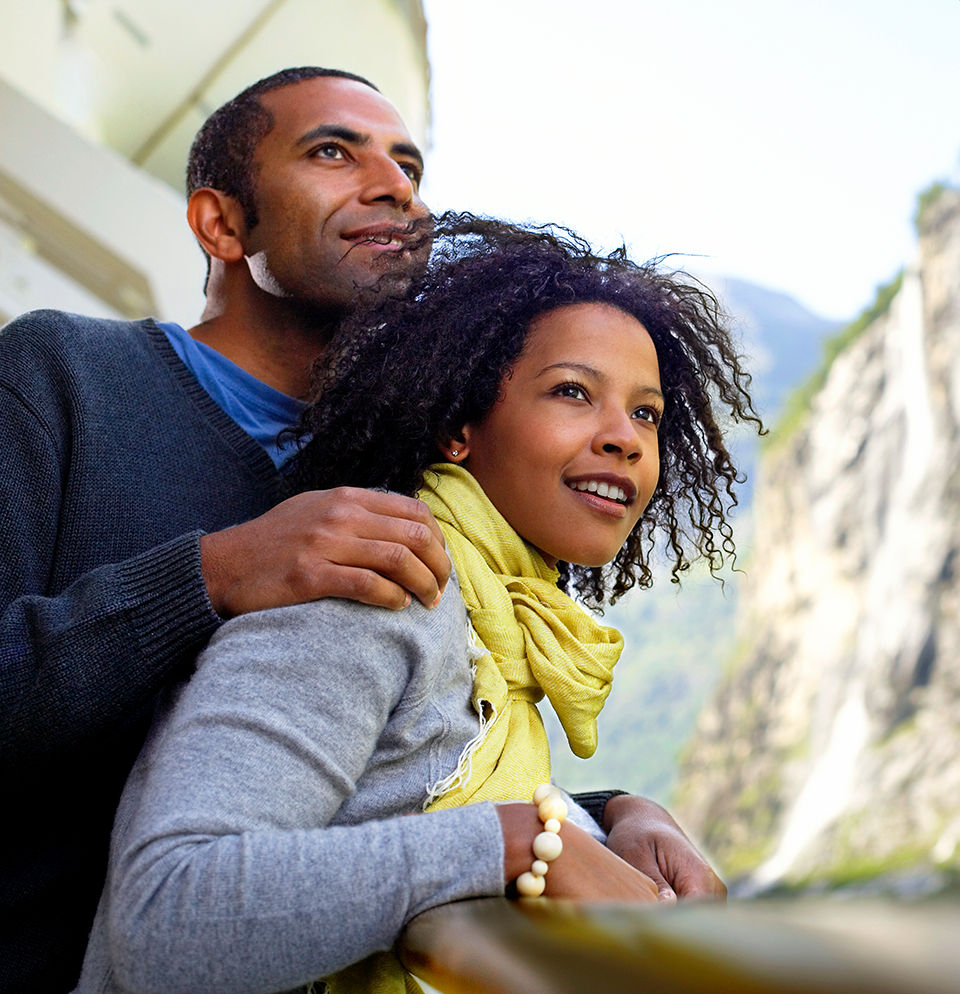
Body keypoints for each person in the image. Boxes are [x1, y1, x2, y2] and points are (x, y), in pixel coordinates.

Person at [0, 68, 721, 993]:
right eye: (333, 150)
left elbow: (375, 778)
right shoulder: (60, 373)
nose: (394, 186)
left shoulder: (404, 485)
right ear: (222, 223)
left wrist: (605, 812)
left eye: (409, 164)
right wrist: (210, 576)